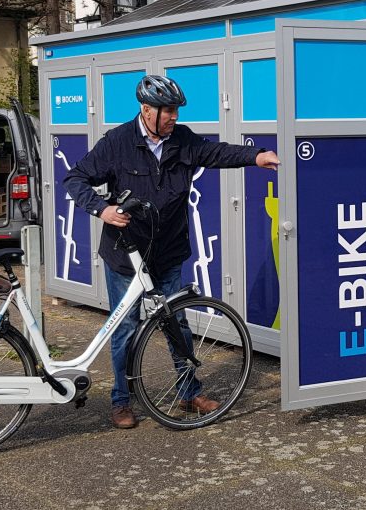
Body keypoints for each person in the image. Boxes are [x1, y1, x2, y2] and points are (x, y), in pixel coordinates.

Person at [64, 75, 280, 429]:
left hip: (167, 252)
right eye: (167, 111)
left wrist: (255, 156)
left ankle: (188, 392)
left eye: (176, 111)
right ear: (146, 110)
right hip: (126, 253)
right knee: (126, 329)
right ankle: (121, 401)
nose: (173, 118)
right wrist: (101, 209)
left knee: (176, 323)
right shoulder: (117, 142)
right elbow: (75, 178)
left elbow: (216, 152)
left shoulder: (182, 140)